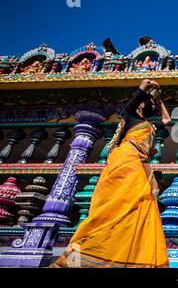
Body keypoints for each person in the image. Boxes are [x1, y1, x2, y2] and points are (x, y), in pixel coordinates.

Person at [51, 79, 171, 268]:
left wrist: (160, 99)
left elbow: (167, 120)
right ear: (141, 104)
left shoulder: (151, 126)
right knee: (114, 206)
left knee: (137, 204)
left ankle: (127, 253)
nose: (150, 104)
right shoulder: (131, 116)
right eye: (148, 102)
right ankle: (85, 252)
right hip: (124, 162)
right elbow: (132, 102)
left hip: (139, 166)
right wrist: (146, 84)